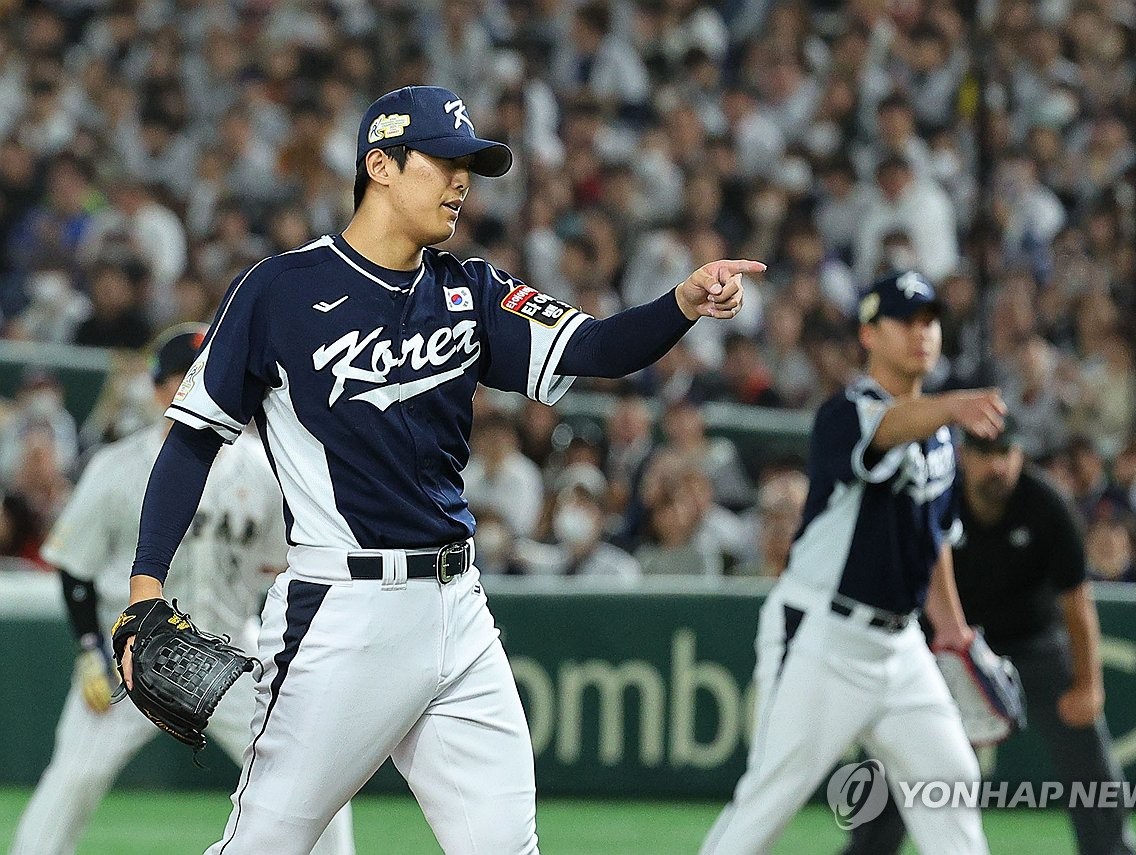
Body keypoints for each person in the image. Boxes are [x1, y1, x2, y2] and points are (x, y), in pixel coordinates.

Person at [113, 85, 758, 854]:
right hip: (342, 612)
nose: (462, 181)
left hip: (459, 608)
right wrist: (146, 585)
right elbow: (192, 440)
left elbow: (597, 347)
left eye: (471, 167)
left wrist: (679, 303)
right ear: (380, 165)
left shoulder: (470, 291)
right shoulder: (280, 290)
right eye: (445, 162)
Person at [10, 325, 355, 855]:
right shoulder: (118, 466)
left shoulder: (265, 469)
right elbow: (75, 567)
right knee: (73, 779)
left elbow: (284, 565)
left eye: (202, 377)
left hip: (228, 650)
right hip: (132, 651)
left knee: (304, 770)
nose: (190, 389)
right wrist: (89, 652)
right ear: (154, 390)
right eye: (178, 379)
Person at [701, 270, 1006, 855]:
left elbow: (935, 538)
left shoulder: (943, 434)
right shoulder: (844, 413)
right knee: (771, 796)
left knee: (952, 780)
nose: (922, 334)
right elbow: (887, 429)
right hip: (824, 635)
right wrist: (950, 407)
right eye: (905, 321)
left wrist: (956, 632)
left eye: (930, 321)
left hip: (900, 646)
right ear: (869, 334)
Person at [841, 426, 1136, 855]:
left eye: (1006, 453)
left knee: (1085, 746)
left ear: (1019, 456)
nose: (996, 465)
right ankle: (865, 850)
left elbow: (1077, 603)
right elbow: (910, 575)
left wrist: (1089, 683)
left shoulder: (1046, 504)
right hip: (945, 641)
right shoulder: (939, 497)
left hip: (1031, 643)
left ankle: (1113, 850)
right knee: (896, 739)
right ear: (964, 456)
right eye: (984, 453)